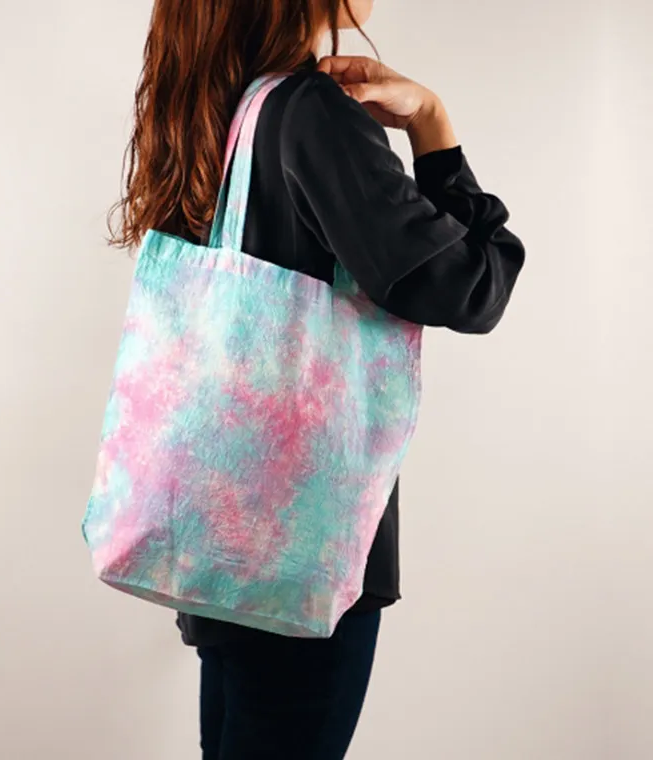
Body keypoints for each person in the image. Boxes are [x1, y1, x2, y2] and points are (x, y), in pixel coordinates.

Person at [107, 1, 525, 757]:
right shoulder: (310, 112)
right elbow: (472, 286)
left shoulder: (219, 102)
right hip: (302, 559)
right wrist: (433, 124)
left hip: (217, 544)